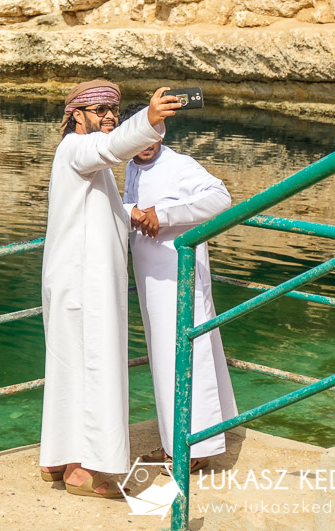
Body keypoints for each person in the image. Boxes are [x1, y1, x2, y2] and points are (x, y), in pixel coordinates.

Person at [39, 80, 181, 499]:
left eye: (114, 110)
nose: (109, 117)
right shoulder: (78, 149)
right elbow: (109, 148)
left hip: (72, 279)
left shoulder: (76, 157)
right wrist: (149, 121)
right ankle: (84, 470)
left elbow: (93, 202)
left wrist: (128, 211)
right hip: (85, 284)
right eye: (100, 110)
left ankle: (57, 458)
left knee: (69, 367)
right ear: (76, 115)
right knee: (94, 368)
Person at [123, 121, 237, 471]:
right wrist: (133, 214)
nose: (149, 142)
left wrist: (166, 215)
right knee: (163, 357)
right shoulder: (130, 167)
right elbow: (130, 209)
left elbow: (221, 197)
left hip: (181, 275)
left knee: (189, 353)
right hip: (151, 279)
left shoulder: (179, 164)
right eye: (141, 133)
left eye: (155, 133)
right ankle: (175, 443)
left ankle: (195, 449)